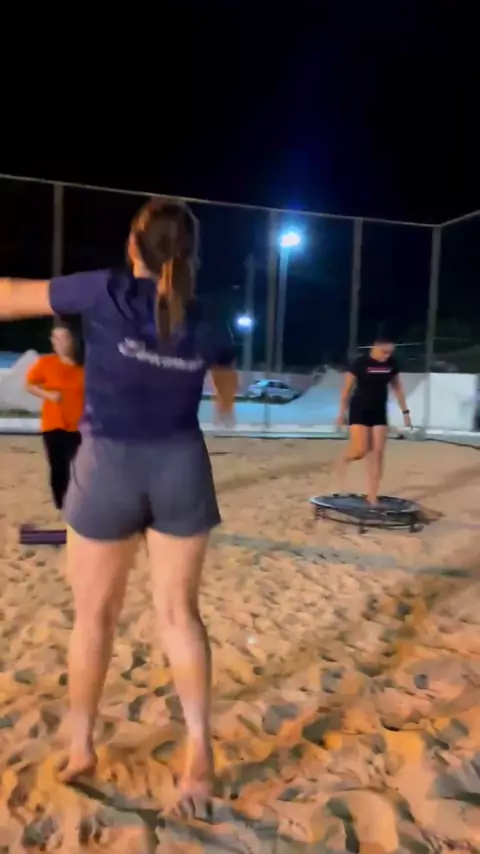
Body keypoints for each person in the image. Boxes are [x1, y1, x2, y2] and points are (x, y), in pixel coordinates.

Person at [0, 197, 238, 815]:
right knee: (179, 616)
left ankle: (82, 746)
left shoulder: (104, 290)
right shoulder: (209, 315)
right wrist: (224, 401)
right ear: (189, 255)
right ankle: (199, 750)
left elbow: (9, 297)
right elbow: (225, 377)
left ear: (134, 244)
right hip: (181, 466)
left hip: (109, 467)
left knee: (94, 618)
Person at [335, 335, 411, 504]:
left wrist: (405, 412)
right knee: (361, 450)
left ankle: (372, 495)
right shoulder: (360, 363)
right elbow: (346, 390)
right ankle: (346, 458)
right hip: (359, 409)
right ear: (374, 348)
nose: (387, 356)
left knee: (377, 454)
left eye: (390, 353)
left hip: (379, 411)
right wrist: (341, 413)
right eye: (384, 352)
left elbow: (397, 388)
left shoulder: (392, 364)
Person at [26, 320, 84, 511]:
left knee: (81, 467)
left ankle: (81, 502)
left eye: (63, 338)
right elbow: (29, 385)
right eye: (55, 338)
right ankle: (62, 504)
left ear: (74, 339)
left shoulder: (85, 366)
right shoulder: (46, 363)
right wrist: (48, 395)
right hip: (54, 425)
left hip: (81, 426)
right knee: (59, 467)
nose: (58, 343)